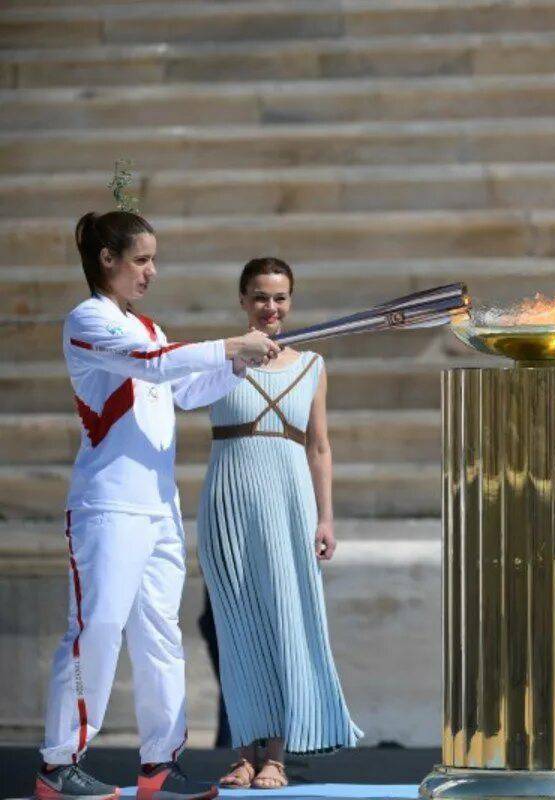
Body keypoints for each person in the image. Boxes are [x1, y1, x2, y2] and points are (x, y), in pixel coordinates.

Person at [36, 211, 280, 800]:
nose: (151, 271)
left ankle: (159, 766)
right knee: (95, 629)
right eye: (141, 259)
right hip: (106, 507)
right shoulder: (87, 321)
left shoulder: (147, 325)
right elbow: (155, 365)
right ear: (107, 261)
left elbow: (184, 390)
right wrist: (227, 343)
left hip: (158, 508)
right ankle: (58, 763)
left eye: (153, 259)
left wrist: (238, 363)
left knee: (159, 636)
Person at [198, 257, 361, 790]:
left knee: (289, 622)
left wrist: (326, 517)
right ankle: (243, 755)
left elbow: (319, 446)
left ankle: (277, 757)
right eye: (261, 297)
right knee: (236, 627)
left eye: (281, 298)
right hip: (230, 501)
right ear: (243, 300)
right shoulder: (220, 359)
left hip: (289, 502)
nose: (271, 307)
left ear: (291, 302)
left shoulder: (311, 364)